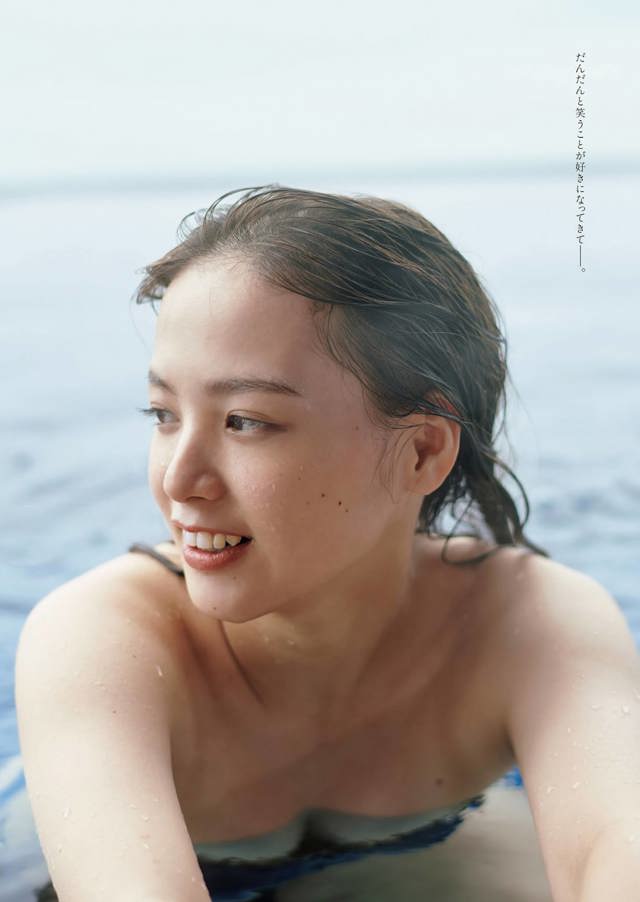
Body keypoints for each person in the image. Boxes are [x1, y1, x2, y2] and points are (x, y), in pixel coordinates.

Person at [15, 185, 640, 901]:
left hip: (418, 848)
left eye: (246, 421)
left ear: (422, 452)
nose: (178, 479)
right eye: (162, 413)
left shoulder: (528, 623)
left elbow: (611, 854)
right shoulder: (101, 640)